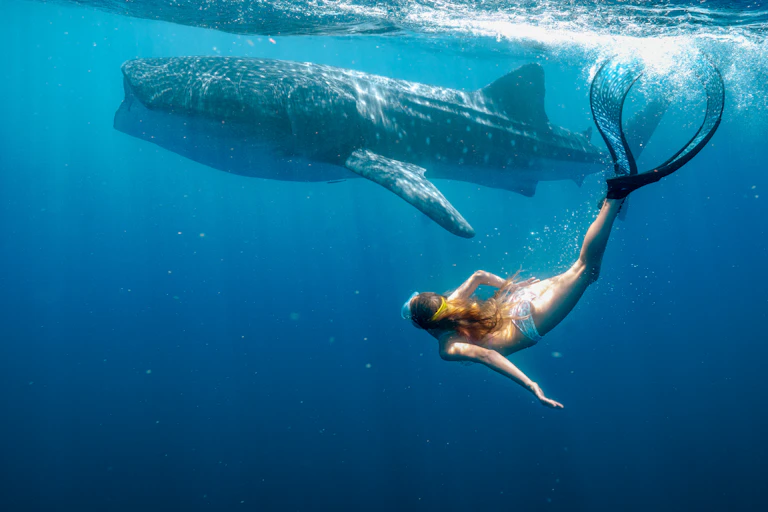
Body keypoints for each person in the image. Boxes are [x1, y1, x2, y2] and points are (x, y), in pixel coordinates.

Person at [400, 56, 724, 409]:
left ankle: (615, 195)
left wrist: (531, 385)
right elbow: (478, 275)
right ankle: (616, 193)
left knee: (587, 269)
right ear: (437, 303)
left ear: (423, 325)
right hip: (515, 301)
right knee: (579, 269)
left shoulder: (448, 348)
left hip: (526, 323)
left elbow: (488, 358)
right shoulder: (455, 300)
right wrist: (509, 287)